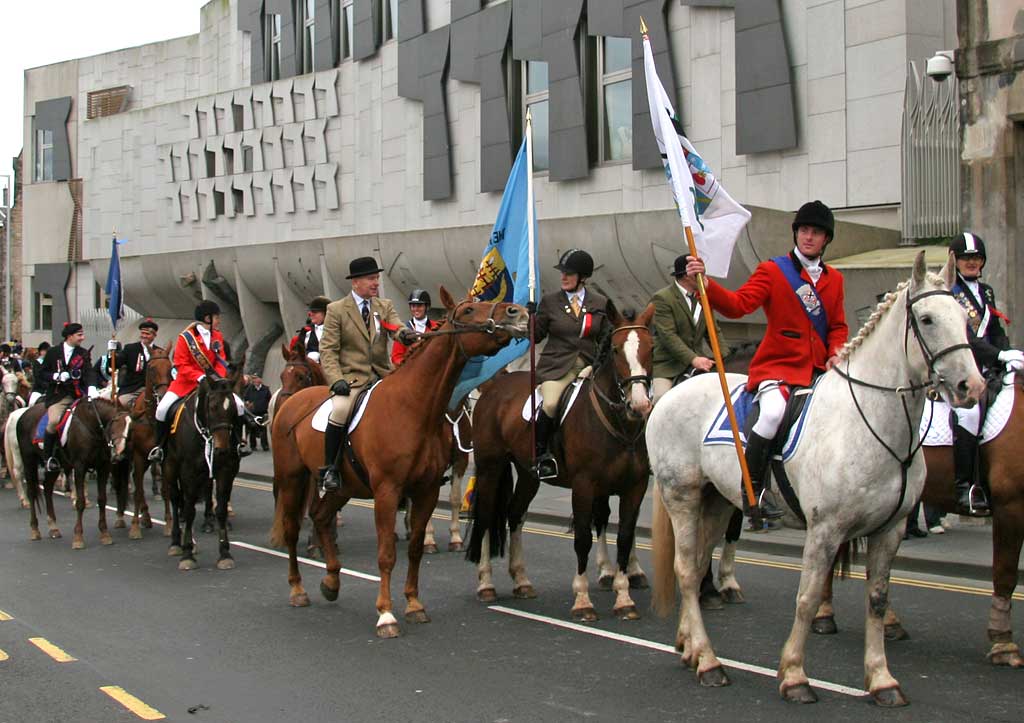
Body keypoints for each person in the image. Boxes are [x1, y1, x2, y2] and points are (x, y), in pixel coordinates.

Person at [687, 200, 849, 522]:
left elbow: (838, 327)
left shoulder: (835, 280)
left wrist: (836, 352)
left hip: (819, 371)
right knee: (773, 413)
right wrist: (707, 285)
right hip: (779, 367)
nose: (808, 237)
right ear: (796, 233)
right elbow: (738, 305)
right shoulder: (773, 271)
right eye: (804, 230)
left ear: (826, 239)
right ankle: (754, 490)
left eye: (816, 232)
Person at [318, 257, 417, 492]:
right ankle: (330, 468)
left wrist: (405, 335)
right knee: (341, 410)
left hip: (383, 376)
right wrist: (337, 380)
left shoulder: (384, 307)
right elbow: (328, 350)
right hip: (351, 379)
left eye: (377, 278)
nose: (376, 283)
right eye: (371, 279)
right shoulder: (336, 310)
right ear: (356, 283)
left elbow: (396, 327)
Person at [947, 232, 1023, 515]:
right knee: (969, 412)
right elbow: (963, 336)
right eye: (966, 258)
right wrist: (999, 355)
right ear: (955, 261)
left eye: (976, 257)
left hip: (987, 368)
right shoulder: (949, 290)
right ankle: (965, 487)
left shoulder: (986, 291)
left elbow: (993, 331)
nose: (972, 262)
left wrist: (1009, 354)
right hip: (959, 368)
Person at [532, 249, 612, 480]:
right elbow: (536, 336)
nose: (563, 277)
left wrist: (595, 366)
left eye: (569, 273)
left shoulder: (600, 303)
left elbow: (607, 340)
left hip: (589, 367)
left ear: (583, 277)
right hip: (557, 368)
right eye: (562, 273)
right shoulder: (549, 302)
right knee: (550, 403)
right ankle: (542, 455)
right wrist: (531, 318)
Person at [149, 301, 250, 462]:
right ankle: (159, 447)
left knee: (238, 405)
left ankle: (238, 443)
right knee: (161, 409)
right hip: (185, 384)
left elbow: (220, 359)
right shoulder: (185, 338)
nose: (219, 321)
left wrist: (216, 377)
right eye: (216, 317)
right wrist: (199, 376)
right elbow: (181, 364)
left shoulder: (217, 336)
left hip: (212, 383)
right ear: (207, 318)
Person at [651, 254, 730, 403]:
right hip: (669, 365)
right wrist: (693, 359)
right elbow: (668, 335)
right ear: (687, 276)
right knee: (661, 398)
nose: (704, 278)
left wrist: (727, 359)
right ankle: (648, 425)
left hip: (700, 361)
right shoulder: (662, 298)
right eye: (699, 274)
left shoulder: (704, 297)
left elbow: (713, 331)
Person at [31, 322, 99, 472]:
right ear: (70, 336)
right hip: (59, 396)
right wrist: (56, 375)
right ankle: (49, 457)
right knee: (54, 422)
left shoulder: (83, 353)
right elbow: (42, 373)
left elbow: (89, 373)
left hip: (79, 395)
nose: (83, 338)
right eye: (79, 335)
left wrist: (92, 387)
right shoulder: (53, 352)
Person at [115, 318, 161, 409]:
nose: (144, 336)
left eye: (147, 334)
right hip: (132, 389)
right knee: (122, 402)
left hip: (153, 390)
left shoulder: (159, 352)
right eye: (142, 333)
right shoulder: (130, 349)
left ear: (154, 335)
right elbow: (116, 364)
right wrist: (111, 354)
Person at [391, 289, 441, 366]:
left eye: (419, 306)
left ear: (427, 307)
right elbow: (396, 357)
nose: (416, 309)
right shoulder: (403, 330)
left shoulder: (437, 327)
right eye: (413, 306)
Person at [290, 296, 330, 363]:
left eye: (315, 312)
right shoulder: (305, 332)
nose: (311, 314)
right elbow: (296, 354)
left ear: (326, 313)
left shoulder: (338, 330)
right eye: (310, 312)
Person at [242, 374, 271, 451]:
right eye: (253, 379)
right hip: (253, 413)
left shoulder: (266, 389)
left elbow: (269, 399)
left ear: (260, 380)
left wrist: (268, 411)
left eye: (256, 379)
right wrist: (247, 403)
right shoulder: (250, 389)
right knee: (252, 428)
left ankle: (265, 445)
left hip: (263, 412)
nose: (254, 381)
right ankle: (253, 446)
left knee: (263, 429)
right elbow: (245, 398)